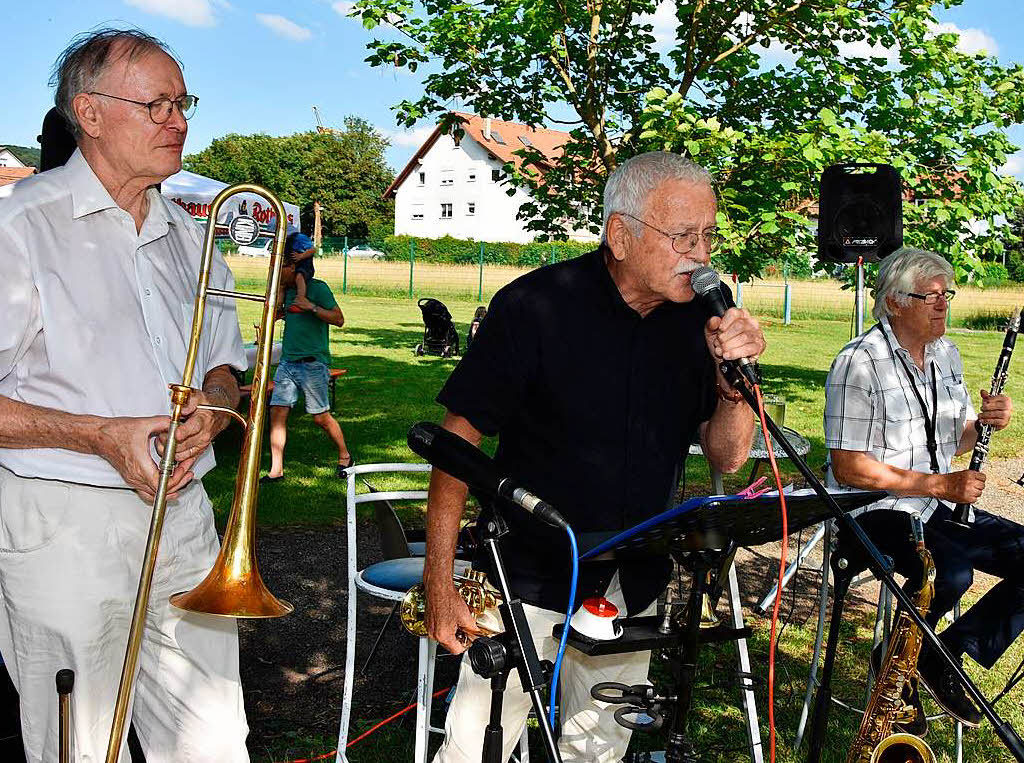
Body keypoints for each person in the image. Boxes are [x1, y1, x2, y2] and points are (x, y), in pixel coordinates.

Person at [423, 151, 766, 762]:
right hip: (525, 574)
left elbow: (730, 455)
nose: (701, 253)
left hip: (633, 581)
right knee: (478, 746)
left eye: (709, 235)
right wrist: (440, 579)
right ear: (621, 234)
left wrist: (728, 379)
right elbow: (456, 444)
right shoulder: (534, 307)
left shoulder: (700, 321)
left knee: (600, 747)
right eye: (683, 235)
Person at [0, 28, 250, 762]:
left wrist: (215, 401)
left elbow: (225, 366)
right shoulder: (19, 228)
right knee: (77, 743)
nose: (179, 121)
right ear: (92, 112)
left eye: (183, 103)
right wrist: (98, 434)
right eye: (158, 104)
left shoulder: (191, 236)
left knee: (212, 740)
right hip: (64, 525)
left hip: (187, 518)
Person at [824, 247, 1019, 731]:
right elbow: (849, 468)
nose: (942, 305)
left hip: (933, 504)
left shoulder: (946, 354)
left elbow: (953, 440)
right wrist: (937, 483)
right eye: (929, 296)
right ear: (894, 301)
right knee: (950, 574)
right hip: (871, 510)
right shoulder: (859, 362)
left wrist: (987, 423)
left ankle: (940, 655)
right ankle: (902, 663)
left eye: (946, 295)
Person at [262, 256, 353, 482]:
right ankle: (276, 470)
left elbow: (339, 319)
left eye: (280, 266)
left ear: (293, 267)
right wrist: (281, 293)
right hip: (287, 364)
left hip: (313, 364)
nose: (275, 270)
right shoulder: (288, 291)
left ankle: (345, 456)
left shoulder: (318, 288)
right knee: (277, 413)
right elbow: (271, 318)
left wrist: (311, 307)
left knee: (320, 417)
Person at [284, 228, 318, 313]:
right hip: (292, 263)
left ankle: (300, 300)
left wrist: (301, 256)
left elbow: (313, 250)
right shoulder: (283, 240)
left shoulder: (299, 237)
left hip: (304, 263)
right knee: (282, 282)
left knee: (299, 277)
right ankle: (279, 306)